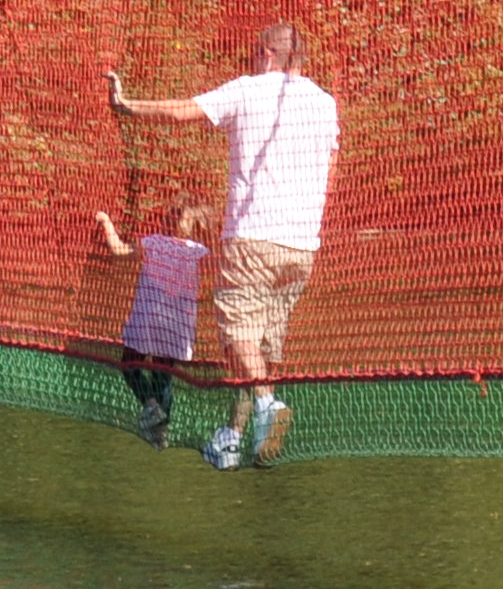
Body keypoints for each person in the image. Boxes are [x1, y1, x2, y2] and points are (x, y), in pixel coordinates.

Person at [109, 25, 341, 470]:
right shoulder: (325, 103)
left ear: (268, 55)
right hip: (302, 247)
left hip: (254, 238)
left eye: (256, 54)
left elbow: (180, 113)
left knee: (237, 335)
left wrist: (126, 105)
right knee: (259, 348)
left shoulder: (249, 90)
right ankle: (234, 436)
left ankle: (268, 406)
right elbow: (328, 170)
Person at [92, 202, 215, 445]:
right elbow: (220, 265)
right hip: (177, 325)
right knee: (163, 375)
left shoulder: (154, 242)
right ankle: (161, 430)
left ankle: (150, 407)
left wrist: (106, 221)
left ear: (167, 221)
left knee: (129, 364)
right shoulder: (198, 251)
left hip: (148, 319)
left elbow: (118, 249)